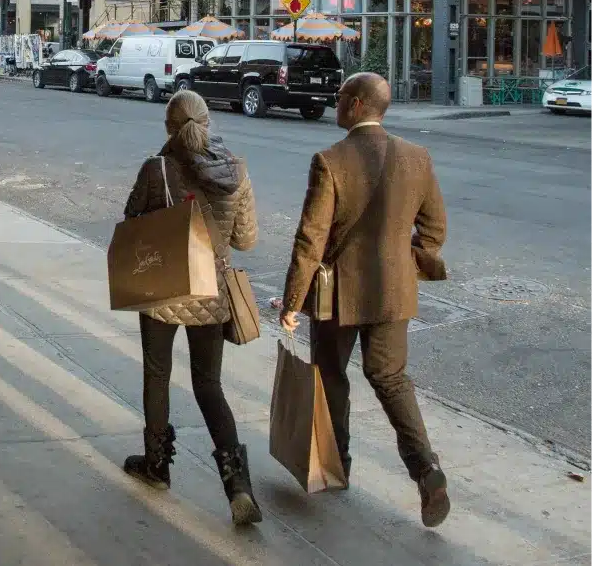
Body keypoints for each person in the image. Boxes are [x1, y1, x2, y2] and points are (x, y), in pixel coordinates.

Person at [279, 72, 450, 529]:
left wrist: (292, 301)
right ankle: (428, 471)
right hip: (395, 292)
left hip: (339, 294)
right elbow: (434, 229)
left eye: (339, 97)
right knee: (391, 378)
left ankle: (339, 467)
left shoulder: (330, 161)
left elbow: (310, 240)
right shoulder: (417, 158)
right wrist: (404, 260)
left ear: (356, 105)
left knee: (331, 375)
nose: (334, 103)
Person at [121, 90, 260, 526]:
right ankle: (238, 485)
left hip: (163, 290)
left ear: (168, 127)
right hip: (212, 295)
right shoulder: (236, 171)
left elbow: (130, 224)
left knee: (157, 376)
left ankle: (157, 465)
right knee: (209, 386)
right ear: (208, 122)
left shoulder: (156, 168)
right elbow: (246, 240)